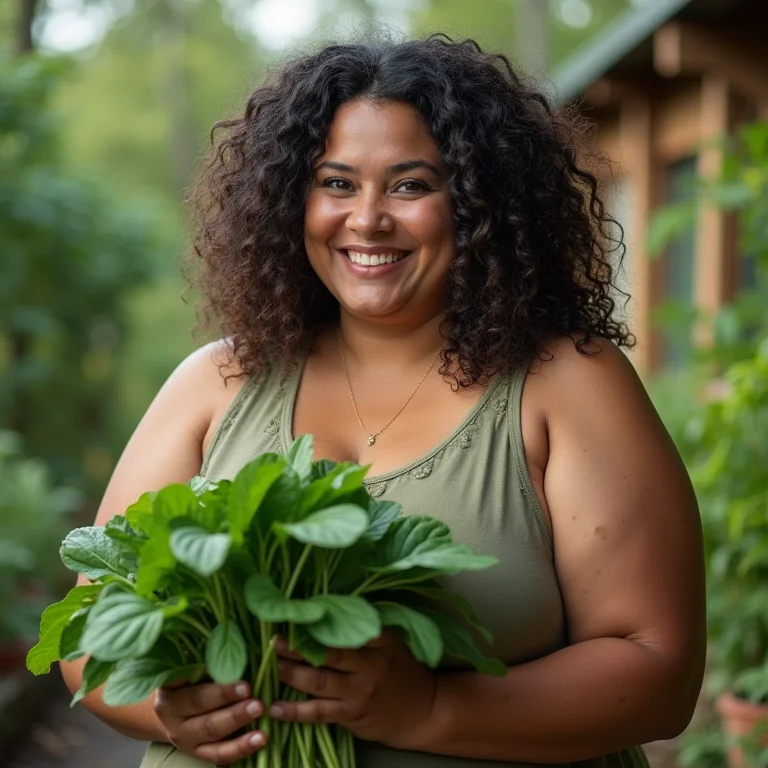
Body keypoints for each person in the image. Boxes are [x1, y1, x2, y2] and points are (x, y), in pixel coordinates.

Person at [60, 34, 706, 768]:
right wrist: (177, 713)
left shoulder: (566, 383)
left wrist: (429, 709)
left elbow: (660, 671)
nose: (366, 219)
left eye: (409, 185)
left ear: (477, 202)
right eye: (336, 183)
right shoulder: (214, 383)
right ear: (287, 201)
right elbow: (89, 641)